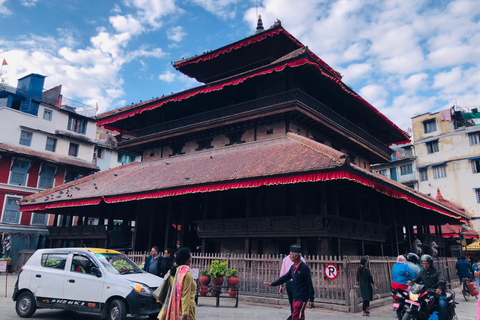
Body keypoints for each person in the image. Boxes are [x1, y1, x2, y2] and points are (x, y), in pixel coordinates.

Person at [264, 245, 314, 320]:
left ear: (296, 256)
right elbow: (285, 277)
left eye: (291, 254)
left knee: (298, 316)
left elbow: (309, 283)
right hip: (295, 295)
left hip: (302, 296)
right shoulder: (292, 267)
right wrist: (273, 284)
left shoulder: (304, 268)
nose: (289, 256)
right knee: (295, 315)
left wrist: (311, 299)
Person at [159, 247, 196, 320]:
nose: (191, 259)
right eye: (190, 257)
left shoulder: (172, 271)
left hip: (172, 306)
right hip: (184, 310)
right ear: (187, 260)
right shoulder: (186, 273)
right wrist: (185, 314)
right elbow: (185, 294)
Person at [409, 254, 447, 320]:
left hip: (437, 293)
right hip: (427, 292)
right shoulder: (422, 272)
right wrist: (412, 282)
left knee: (442, 304)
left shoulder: (436, 272)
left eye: (427, 264)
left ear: (430, 263)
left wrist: (439, 288)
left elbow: (442, 280)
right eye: (423, 264)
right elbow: (417, 279)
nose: (425, 266)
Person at [279, 245, 307, 320]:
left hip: (289, 284)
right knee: (296, 307)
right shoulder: (302, 260)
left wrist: (281, 286)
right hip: (297, 285)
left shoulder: (285, 259)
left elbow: (282, 274)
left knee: (293, 305)